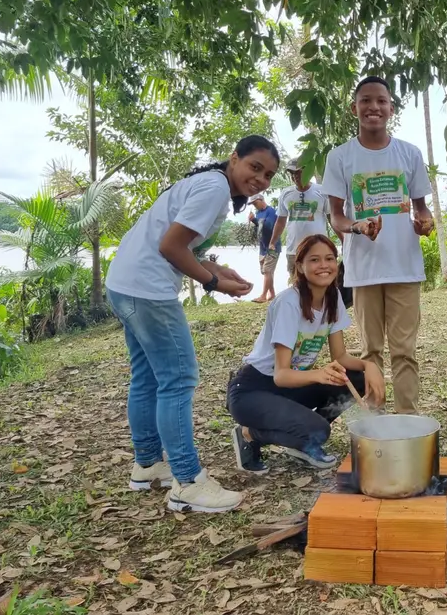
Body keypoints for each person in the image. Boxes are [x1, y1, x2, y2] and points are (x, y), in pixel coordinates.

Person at [106, 135, 280, 513]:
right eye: (255, 167)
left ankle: (148, 464)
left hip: (124, 283)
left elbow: (181, 246)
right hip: (148, 289)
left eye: (268, 175)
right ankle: (187, 481)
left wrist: (216, 268)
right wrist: (213, 282)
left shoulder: (209, 183)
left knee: (148, 377)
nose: (261, 179)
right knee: (178, 378)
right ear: (234, 158)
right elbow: (170, 247)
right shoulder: (215, 187)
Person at [323, 76, 434, 415]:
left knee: (405, 351)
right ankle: (375, 422)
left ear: (391, 109)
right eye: (366, 101)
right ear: (354, 107)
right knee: (370, 351)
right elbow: (336, 217)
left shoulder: (409, 154)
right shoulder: (340, 157)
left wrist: (425, 222)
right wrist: (356, 227)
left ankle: (408, 421)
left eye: (381, 101)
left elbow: (422, 208)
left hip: (404, 266)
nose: (374, 107)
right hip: (364, 270)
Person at [227, 234, 385, 473]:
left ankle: (302, 436)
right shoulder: (288, 304)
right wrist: (319, 374)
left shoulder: (333, 299)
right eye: (314, 260)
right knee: (319, 430)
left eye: (330, 258)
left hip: (289, 388)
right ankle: (250, 434)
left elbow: (340, 357)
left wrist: (369, 365)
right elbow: (281, 375)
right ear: (300, 266)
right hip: (253, 390)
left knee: (357, 379)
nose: (324, 265)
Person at [268, 156, 338, 283]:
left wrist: (344, 239)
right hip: (294, 250)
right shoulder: (285, 193)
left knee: (321, 284)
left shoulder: (321, 191)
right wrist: (272, 242)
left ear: (309, 172)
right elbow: (280, 221)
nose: (295, 176)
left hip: (318, 248)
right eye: (292, 173)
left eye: (299, 172)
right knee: (297, 286)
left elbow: (332, 218)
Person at [248, 194, 281, 303]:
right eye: (253, 204)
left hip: (273, 246)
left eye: (255, 203)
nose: (254, 205)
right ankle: (272, 294)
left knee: (267, 271)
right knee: (266, 272)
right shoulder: (258, 213)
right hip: (262, 247)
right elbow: (260, 229)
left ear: (261, 200)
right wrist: (253, 221)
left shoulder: (271, 211)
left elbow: (269, 227)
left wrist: (255, 220)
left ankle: (263, 296)